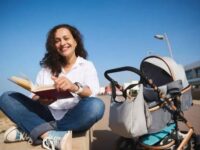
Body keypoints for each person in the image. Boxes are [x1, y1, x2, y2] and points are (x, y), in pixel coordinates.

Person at [0, 24, 105, 150]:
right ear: (54, 46)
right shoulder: (46, 70)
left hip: (75, 116)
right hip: (46, 114)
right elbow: (33, 95)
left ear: (75, 41)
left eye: (66, 38)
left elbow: (92, 92)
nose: (62, 43)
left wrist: (74, 87)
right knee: (7, 97)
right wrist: (40, 99)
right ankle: (48, 134)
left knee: (96, 106)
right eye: (57, 41)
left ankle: (35, 129)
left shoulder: (87, 66)